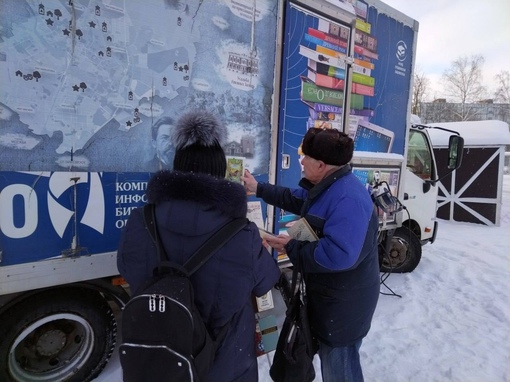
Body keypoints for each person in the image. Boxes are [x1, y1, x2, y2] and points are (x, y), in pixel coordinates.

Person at [118, 110, 281, 382]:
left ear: (177, 167)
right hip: (224, 361)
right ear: (220, 171)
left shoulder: (141, 218)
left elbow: (128, 267)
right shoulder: (242, 233)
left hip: (163, 358)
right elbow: (266, 281)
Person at [242, 128, 380, 382]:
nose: (301, 162)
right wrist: (258, 189)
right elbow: (298, 199)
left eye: (305, 158)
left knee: (340, 370)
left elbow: (340, 255)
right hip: (332, 300)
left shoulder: (348, 198)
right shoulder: (332, 186)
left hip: (343, 309)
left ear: (321, 164)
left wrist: (291, 247)